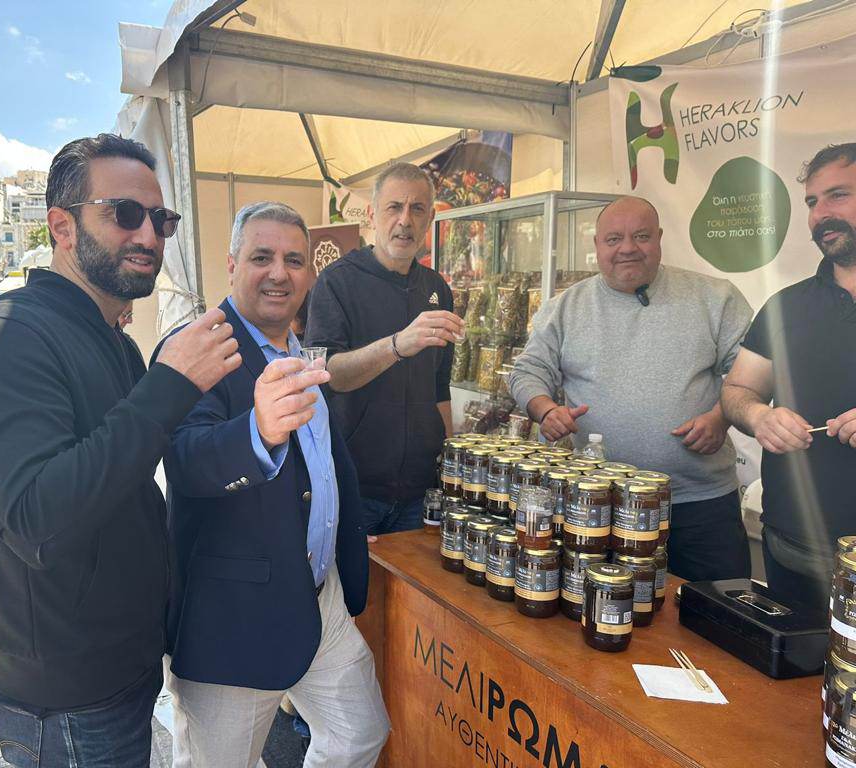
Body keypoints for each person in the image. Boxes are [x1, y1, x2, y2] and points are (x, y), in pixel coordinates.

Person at [0, 133, 241, 768]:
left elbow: (125, 478)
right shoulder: (4, 338)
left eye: (161, 220)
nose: (148, 235)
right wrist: (171, 385)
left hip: (125, 668)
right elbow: (38, 518)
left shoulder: (114, 342)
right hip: (66, 701)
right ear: (62, 227)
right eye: (123, 213)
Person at [158, 201, 390, 768]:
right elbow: (184, 460)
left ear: (311, 274)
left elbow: (321, 462)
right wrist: (257, 431)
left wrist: (340, 527)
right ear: (232, 264)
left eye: (294, 260)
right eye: (262, 257)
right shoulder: (197, 345)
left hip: (316, 594)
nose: (279, 273)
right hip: (232, 616)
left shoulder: (299, 349)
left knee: (360, 734)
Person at [509, 195, 754, 582]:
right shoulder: (565, 307)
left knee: (717, 609)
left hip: (699, 503)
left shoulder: (715, 297)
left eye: (641, 236)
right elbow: (528, 370)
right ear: (597, 245)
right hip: (600, 505)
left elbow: (752, 376)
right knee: (611, 609)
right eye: (613, 239)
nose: (627, 248)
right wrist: (546, 410)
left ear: (659, 239)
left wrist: (720, 417)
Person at [722, 143, 856, 611]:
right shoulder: (786, 306)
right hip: (794, 549)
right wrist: (759, 416)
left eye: (838, 195)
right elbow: (738, 390)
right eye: (812, 202)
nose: (821, 214)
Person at [305, 163, 464, 535]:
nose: (405, 220)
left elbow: (440, 387)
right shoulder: (337, 282)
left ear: (430, 219)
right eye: (394, 207)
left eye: (417, 209)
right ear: (373, 214)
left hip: (422, 490)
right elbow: (327, 375)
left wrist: (451, 461)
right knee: (357, 576)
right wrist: (396, 345)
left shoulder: (437, 288)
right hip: (357, 487)